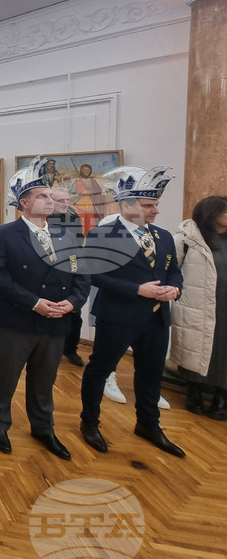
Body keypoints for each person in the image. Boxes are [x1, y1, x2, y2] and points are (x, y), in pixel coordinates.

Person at [0, 157, 89, 460]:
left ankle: (44, 428)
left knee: (45, 379)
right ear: (24, 202)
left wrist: (72, 303)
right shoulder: (5, 234)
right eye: (42, 195)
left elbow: (81, 274)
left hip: (56, 320)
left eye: (49, 195)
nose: (50, 200)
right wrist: (34, 303)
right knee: (6, 375)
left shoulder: (66, 235)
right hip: (17, 319)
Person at [80, 165, 184, 457]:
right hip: (118, 315)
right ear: (126, 205)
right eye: (149, 205)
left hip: (156, 317)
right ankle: (89, 422)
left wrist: (174, 289)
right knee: (100, 369)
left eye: (156, 205)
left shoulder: (163, 237)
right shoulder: (105, 235)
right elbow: (94, 276)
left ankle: (149, 424)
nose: (156, 211)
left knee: (151, 373)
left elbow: (174, 272)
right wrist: (137, 290)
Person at [170, 195, 227, 419]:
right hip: (197, 305)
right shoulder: (188, 237)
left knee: (223, 351)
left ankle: (221, 396)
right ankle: (194, 391)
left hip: (224, 307)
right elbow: (172, 268)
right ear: (211, 214)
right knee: (195, 347)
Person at [49, 185, 86, 367]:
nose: (65, 203)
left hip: (68, 270)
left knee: (74, 315)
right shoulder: (43, 219)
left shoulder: (73, 218)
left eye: (67, 200)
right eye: (61, 200)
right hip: (48, 272)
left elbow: (78, 248)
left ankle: (70, 349)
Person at [72, 163, 108, 237]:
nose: (86, 172)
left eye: (87, 170)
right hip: (80, 206)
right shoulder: (77, 182)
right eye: (84, 170)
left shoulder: (93, 181)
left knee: (91, 223)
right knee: (81, 223)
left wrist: (93, 193)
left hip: (92, 206)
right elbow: (70, 195)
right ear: (81, 171)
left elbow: (99, 192)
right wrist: (80, 194)